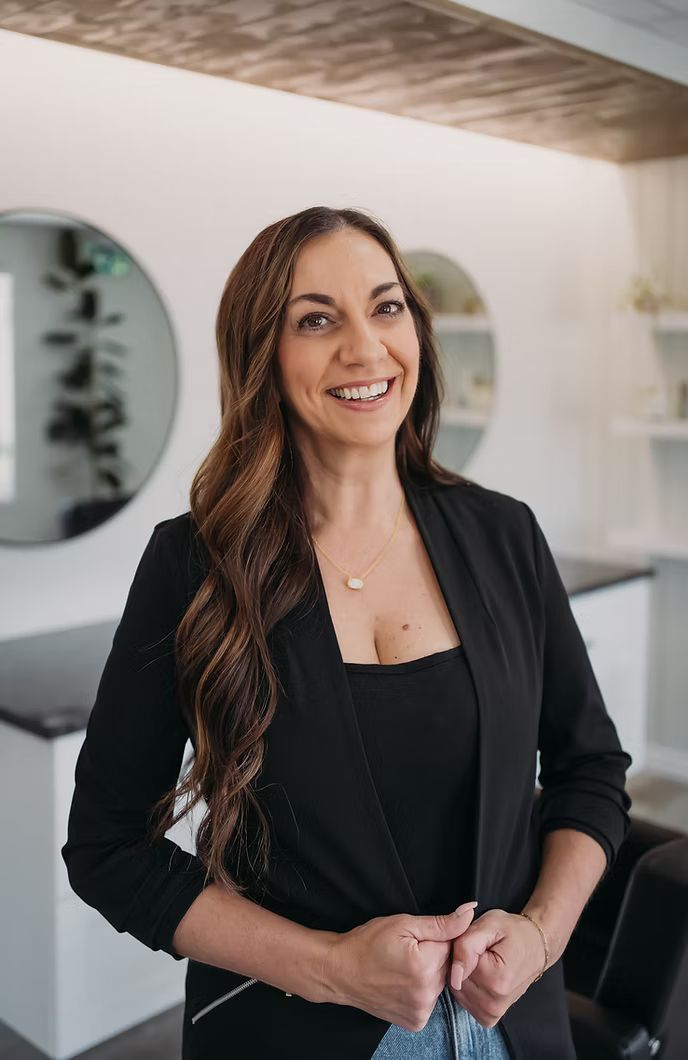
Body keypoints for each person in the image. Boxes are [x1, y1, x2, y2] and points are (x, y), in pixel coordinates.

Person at [62, 205, 633, 1060]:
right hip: (290, 1027)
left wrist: (542, 937)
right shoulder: (195, 564)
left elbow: (591, 769)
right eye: (316, 319)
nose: (365, 348)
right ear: (264, 357)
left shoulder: (505, 535)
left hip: (509, 1026)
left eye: (387, 307)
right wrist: (331, 967)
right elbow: (108, 848)